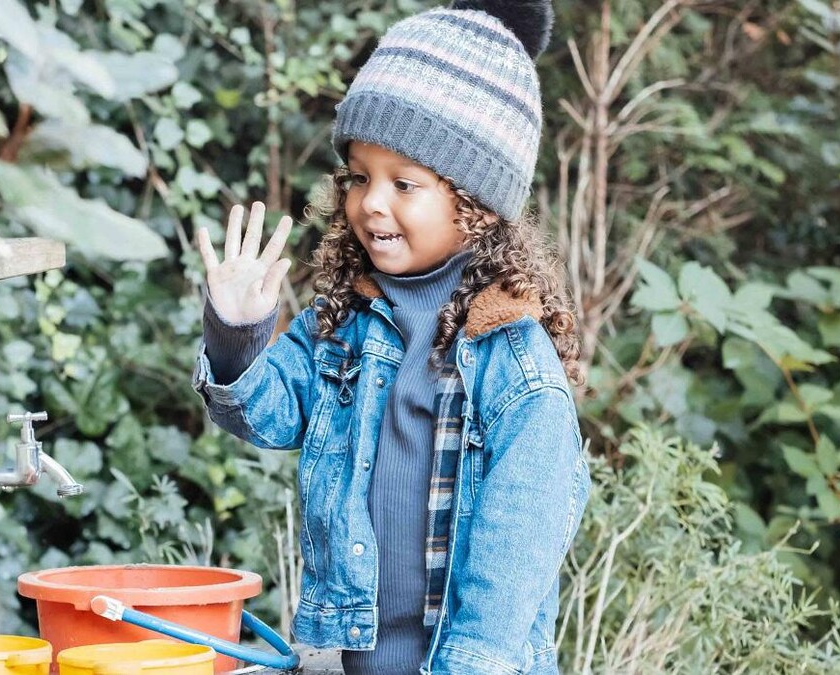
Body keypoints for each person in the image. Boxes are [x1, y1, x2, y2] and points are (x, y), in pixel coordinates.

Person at [191, 1, 590, 673]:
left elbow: (514, 553)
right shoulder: (346, 320)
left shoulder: (516, 367)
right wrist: (235, 333)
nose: (372, 201)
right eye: (360, 176)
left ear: (477, 201)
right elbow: (268, 412)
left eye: (404, 182)